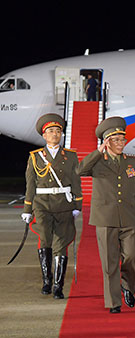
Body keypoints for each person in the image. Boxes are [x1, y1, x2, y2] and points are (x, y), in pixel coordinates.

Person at [77, 116, 135, 314]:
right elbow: (80, 170)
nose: (120, 143)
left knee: (133, 255)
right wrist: (98, 151)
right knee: (109, 262)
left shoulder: (131, 162)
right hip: (105, 218)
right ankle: (114, 302)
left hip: (129, 217)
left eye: (122, 140)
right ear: (106, 142)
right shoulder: (98, 162)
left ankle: (127, 285)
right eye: (115, 140)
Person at [22, 113, 83, 299]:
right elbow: (30, 184)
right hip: (42, 205)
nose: (55, 134)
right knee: (46, 241)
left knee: (61, 244)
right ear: (44, 135)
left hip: (64, 205)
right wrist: (27, 209)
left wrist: (77, 205)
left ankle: (58, 285)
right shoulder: (35, 157)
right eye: (50, 131)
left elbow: (76, 181)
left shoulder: (71, 156)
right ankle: (46, 281)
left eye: (58, 131)